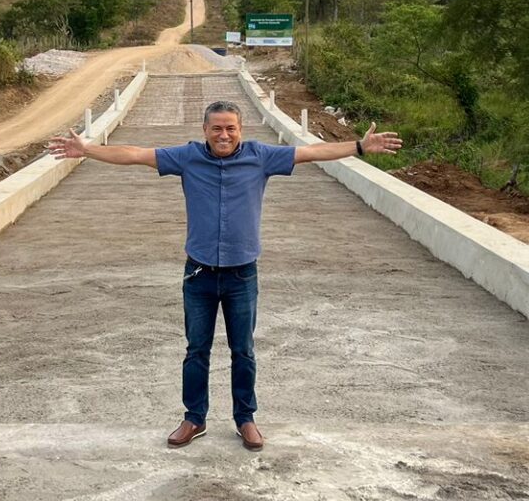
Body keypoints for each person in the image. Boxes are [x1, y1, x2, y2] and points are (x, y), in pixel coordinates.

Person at [47, 98, 401, 451]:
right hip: (199, 273)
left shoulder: (260, 156)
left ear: (240, 131)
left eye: (230, 128)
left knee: (243, 351)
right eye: (216, 128)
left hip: (242, 275)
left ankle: (245, 419)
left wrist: (358, 146)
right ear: (205, 130)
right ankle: (194, 418)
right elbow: (136, 154)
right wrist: (88, 150)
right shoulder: (187, 157)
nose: (223, 134)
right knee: (196, 350)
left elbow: (310, 153)